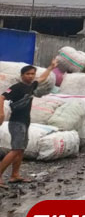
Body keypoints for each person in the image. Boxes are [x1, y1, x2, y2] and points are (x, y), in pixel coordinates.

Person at [0, 60, 56, 188]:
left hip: (25, 122)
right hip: (16, 122)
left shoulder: (31, 86)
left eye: (32, 74)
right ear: (22, 75)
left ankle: (15, 175)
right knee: (16, 149)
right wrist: (1, 114)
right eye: (27, 74)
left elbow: (42, 78)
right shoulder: (17, 87)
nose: (30, 76)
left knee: (21, 150)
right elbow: (1, 97)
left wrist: (51, 67)